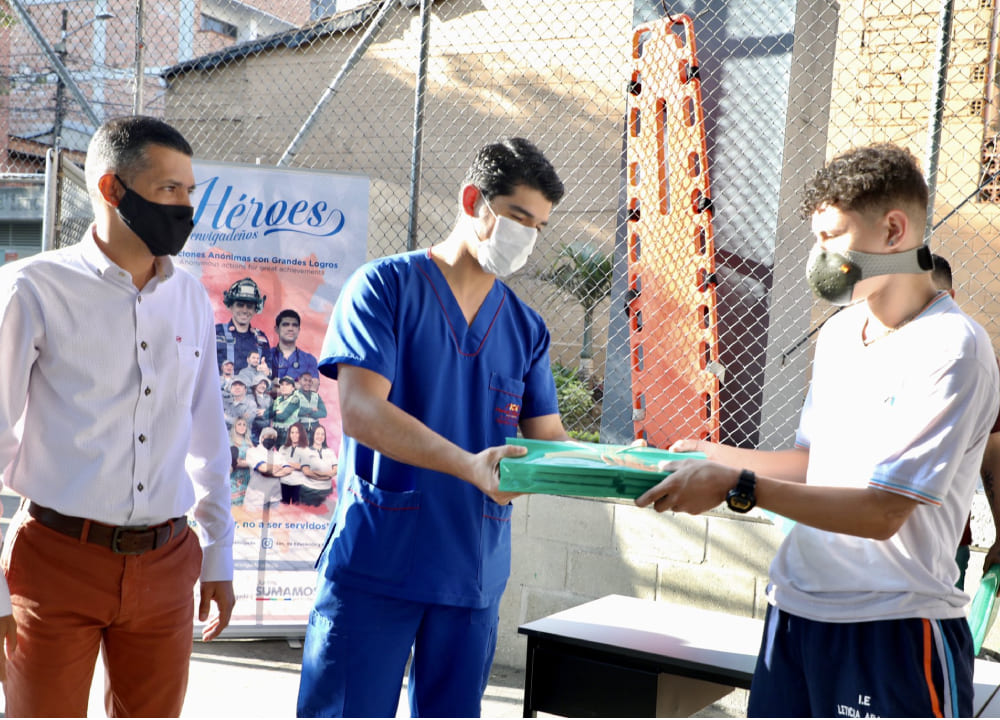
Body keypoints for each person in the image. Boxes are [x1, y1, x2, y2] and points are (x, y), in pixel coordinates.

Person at [638, 144, 999, 717]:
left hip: (894, 631)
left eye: (831, 237)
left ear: (893, 231)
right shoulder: (839, 333)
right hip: (796, 616)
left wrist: (738, 485)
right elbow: (813, 462)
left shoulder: (953, 350)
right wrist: (705, 454)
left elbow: (882, 512)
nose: (818, 256)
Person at [297, 137, 571, 718]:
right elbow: (363, 411)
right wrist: (469, 465)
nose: (529, 236)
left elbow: (550, 442)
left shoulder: (526, 328)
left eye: (541, 226)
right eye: (520, 217)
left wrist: (628, 467)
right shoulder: (384, 289)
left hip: (472, 572)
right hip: (378, 562)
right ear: (475, 201)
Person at [0, 115, 235, 717]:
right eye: (168, 190)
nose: (185, 207)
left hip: (167, 561)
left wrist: (216, 553)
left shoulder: (190, 298)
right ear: (112, 189)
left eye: (189, 191)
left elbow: (208, 438)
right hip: (55, 561)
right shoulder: (30, 289)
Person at [929, 253, 1000, 588]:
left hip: (944, 542)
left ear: (950, 299)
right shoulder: (872, 353)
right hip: (865, 539)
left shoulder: (978, 363)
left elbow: (994, 453)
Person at [216, 276, 270, 374]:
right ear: (230, 306)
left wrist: (268, 372)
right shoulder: (216, 333)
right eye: (240, 305)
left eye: (249, 306)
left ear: (255, 309)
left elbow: (270, 371)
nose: (245, 310)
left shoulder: (261, 339)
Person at [243, 427, 289, 513]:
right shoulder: (252, 451)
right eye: (268, 437)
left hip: (274, 499)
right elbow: (263, 468)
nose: (270, 440)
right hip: (255, 499)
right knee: (253, 524)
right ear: (261, 438)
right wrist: (278, 468)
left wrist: (270, 473)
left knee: (273, 525)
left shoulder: (278, 455)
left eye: (273, 438)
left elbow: (288, 469)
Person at [269, 308, 319, 383]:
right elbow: (259, 387)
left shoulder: (309, 359)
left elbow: (312, 388)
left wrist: (277, 382)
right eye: (285, 325)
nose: (290, 328)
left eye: (294, 325)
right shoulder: (266, 355)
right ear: (277, 329)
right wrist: (298, 385)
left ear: (299, 330)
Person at [300, 423, 337, 508]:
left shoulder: (330, 451)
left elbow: (336, 470)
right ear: (313, 435)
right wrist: (326, 476)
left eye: (322, 434)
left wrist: (319, 474)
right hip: (309, 491)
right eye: (317, 434)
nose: (320, 436)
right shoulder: (306, 451)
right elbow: (306, 472)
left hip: (327, 491)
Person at [279, 422, 309, 505]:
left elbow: (306, 467)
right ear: (289, 434)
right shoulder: (282, 448)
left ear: (301, 434)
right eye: (292, 432)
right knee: (283, 511)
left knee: (296, 512)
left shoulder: (306, 450)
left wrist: (288, 464)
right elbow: (279, 463)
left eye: (297, 432)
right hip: (283, 483)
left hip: (299, 485)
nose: (294, 435)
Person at [295, 371, 327, 441]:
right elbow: (296, 411)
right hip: (301, 427)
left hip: (315, 427)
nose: (307, 383)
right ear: (299, 380)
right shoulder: (295, 395)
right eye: (305, 380)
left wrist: (306, 413)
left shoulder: (316, 396)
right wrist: (312, 409)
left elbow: (324, 413)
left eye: (310, 381)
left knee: (314, 450)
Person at [230, 416, 254, 506]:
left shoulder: (249, 442)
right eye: (239, 424)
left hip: (246, 478)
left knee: (244, 506)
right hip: (233, 478)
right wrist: (247, 462)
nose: (242, 427)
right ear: (235, 427)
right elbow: (232, 462)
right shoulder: (229, 442)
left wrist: (243, 462)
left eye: (244, 425)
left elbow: (255, 460)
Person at [271, 375, 301, 446]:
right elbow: (266, 415)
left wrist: (273, 414)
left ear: (293, 388)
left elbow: (282, 417)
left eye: (287, 385)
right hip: (276, 431)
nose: (284, 387)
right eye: (282, 385)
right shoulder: (277, 399)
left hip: (288, 432)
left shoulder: (295, 399)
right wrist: (275, 413)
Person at [251, 375, 274, 443]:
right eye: (260, 383)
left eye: (264, 384)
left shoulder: (269, 397)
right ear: (255, 384)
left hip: (268, 429)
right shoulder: (250, 397)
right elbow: (254, 412)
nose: (263, 386)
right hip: (255, 430)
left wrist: (265, 412)